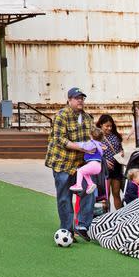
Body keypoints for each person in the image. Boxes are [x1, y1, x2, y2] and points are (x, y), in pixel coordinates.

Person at [44, 86, 96, 241]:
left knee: (89, 191)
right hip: (62, 164)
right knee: (64, 197)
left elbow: (94, 137)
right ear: (69, 100)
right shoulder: (61, 116)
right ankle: (67, 229)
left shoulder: (88, 118)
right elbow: (60, 139)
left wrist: (98, 146)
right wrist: (82, 147)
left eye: (82, 98)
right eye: (77, 98)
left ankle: (82, 226)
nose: (80, 100)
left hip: (80, 165)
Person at [97, 113, 125, 209]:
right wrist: (104, 161)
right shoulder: (97, 137)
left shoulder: (115, 136)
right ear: (101, 124)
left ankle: (120, 217)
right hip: (104, 168)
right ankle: (107, 217)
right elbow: (93, 153)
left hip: (116, 167)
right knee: (106, 195)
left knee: (116, 193)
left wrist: (121, 152)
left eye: (111, 126)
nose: (109, 128)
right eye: (107, 126)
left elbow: (120, 148)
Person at [68, 126, 106, 195]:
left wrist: (76, 143)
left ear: (91, 136)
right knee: (85, 173)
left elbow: (85, 146)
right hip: (97, 166)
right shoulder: (99, 144)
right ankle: (90, 184)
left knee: (80, 170)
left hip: (93, 165)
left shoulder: (92, 143)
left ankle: (78, 185)